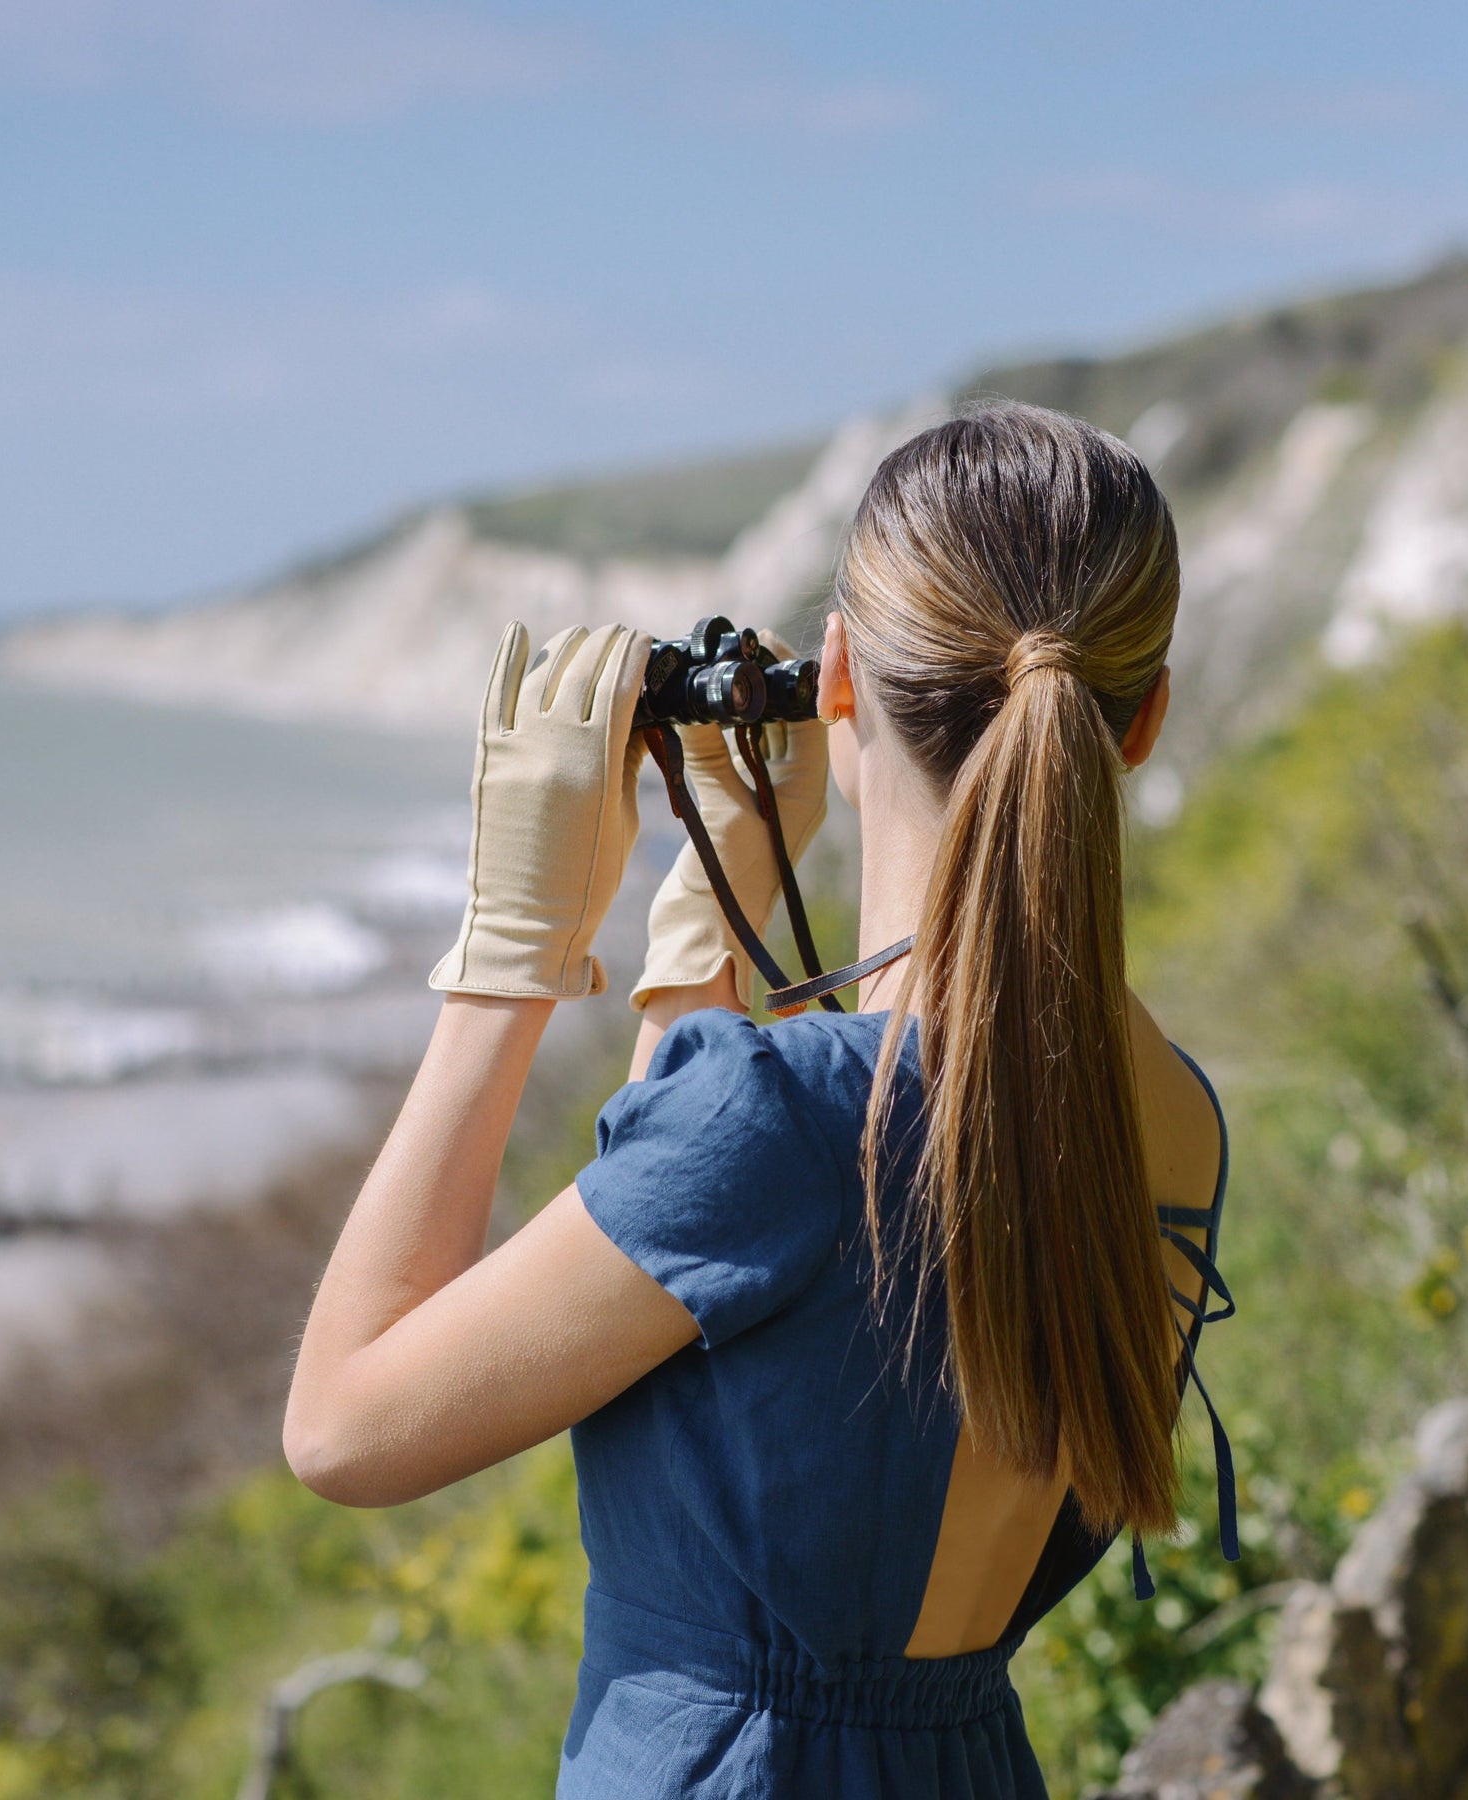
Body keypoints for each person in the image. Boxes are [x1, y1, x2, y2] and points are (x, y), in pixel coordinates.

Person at [283, 401, 1234, 1798]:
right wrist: (704, 931)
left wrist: (511, 951)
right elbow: (738, 1314)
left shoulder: (789, 1118)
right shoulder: (1172, 1114)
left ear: (838, 678)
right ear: (1142, 718)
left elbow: (342, 1430)